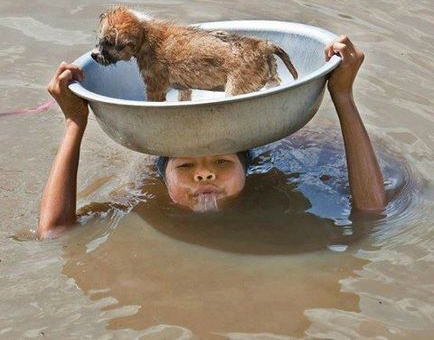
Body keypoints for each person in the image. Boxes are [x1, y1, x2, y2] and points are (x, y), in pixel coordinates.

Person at [37, 36, 386, 239]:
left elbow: (372, 213)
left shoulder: (278, 189)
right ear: (162, 176)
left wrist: (343, 96)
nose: (204, 174)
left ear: (249, 169)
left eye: (222, 161)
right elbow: (54, 232)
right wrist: (74, 123)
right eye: (185, 165)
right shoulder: (142, 200)